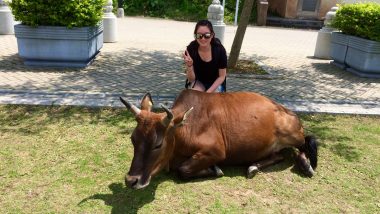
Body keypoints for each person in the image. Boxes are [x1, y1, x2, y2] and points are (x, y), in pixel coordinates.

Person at [183, 20, 227, 93]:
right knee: (195, 98)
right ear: (195, 36)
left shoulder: (219, 50)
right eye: (199, 35)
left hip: (215, 82)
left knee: (212, 101)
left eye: (207, 35)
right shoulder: (191, 49)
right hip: (198, 82)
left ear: (212, 35)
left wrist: (207, 93)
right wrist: (189, 66)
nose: (203, 39)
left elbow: (222, 76)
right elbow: (191, 79)